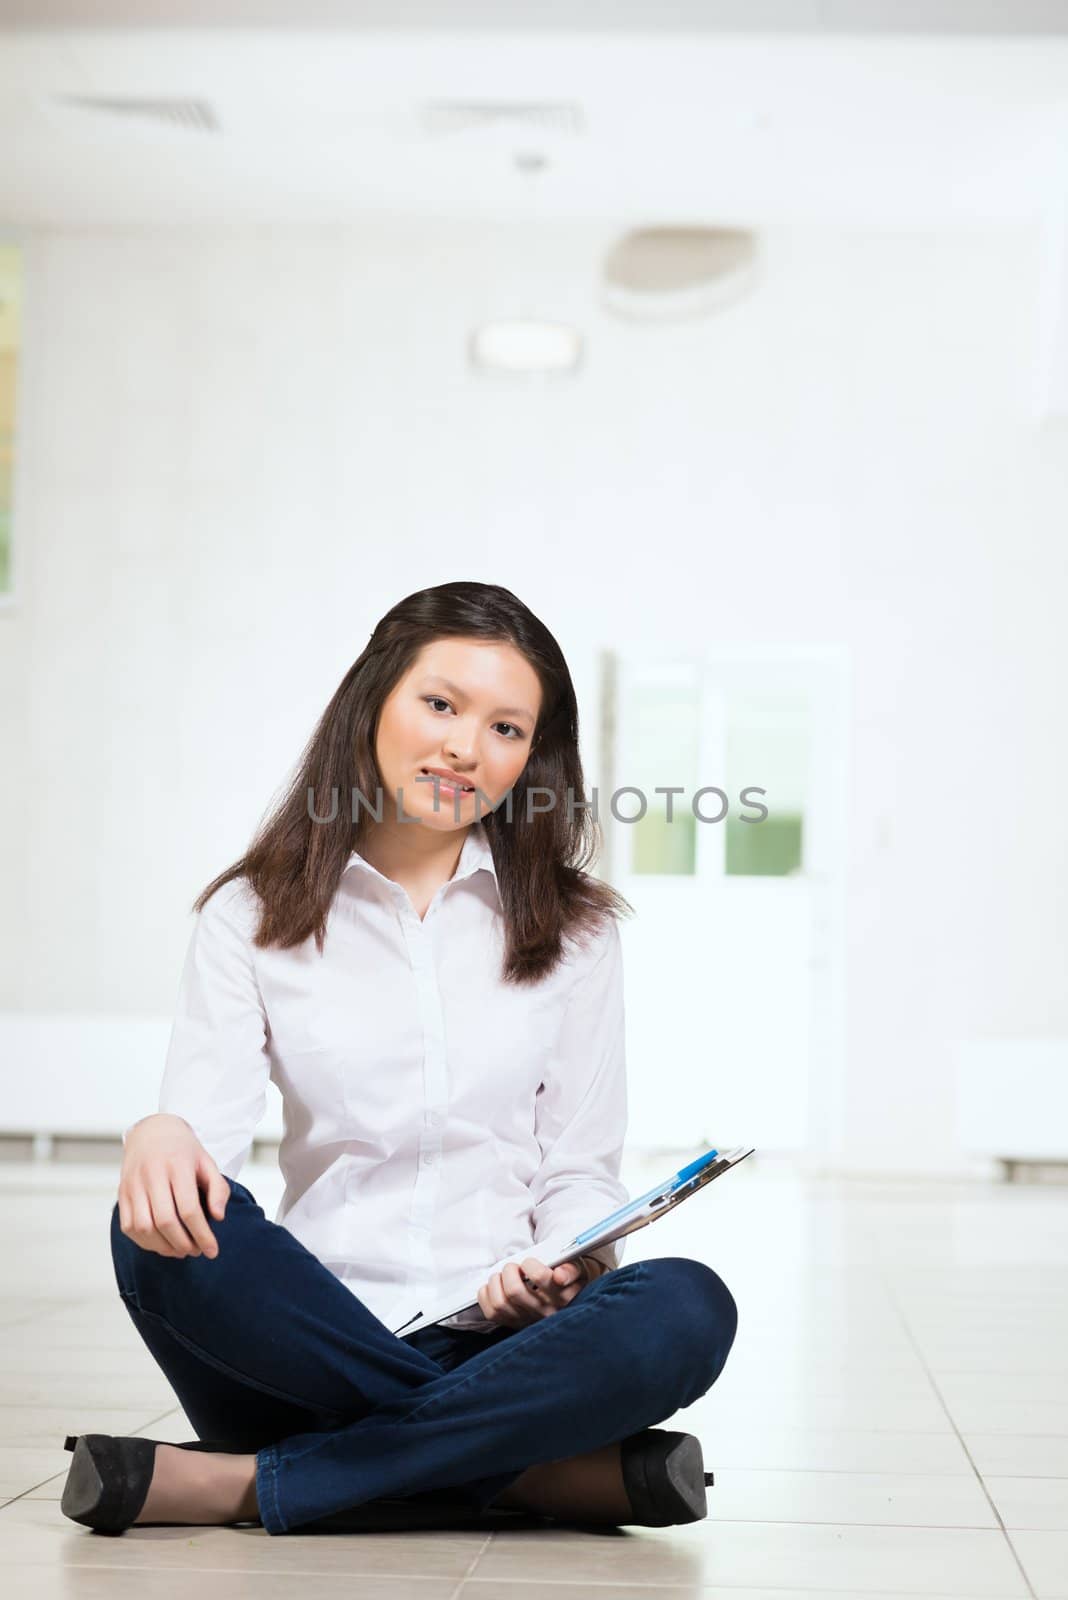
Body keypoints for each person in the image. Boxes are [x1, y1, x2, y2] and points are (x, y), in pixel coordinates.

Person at [61, 580, 738, 1537]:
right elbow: (200, 1164)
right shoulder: (251, 915)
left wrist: (564, 1266)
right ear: (373, 702)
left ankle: (258, 1483)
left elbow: (579, 1168)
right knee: (153, 1232)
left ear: (531, 759)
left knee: (686, 1305)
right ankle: (518, 1475)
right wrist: (158, 1130)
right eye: (441, 705)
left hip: (505, 1352)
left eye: (507, 728)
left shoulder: (578, 933)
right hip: (300, 1351)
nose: (467, 747)